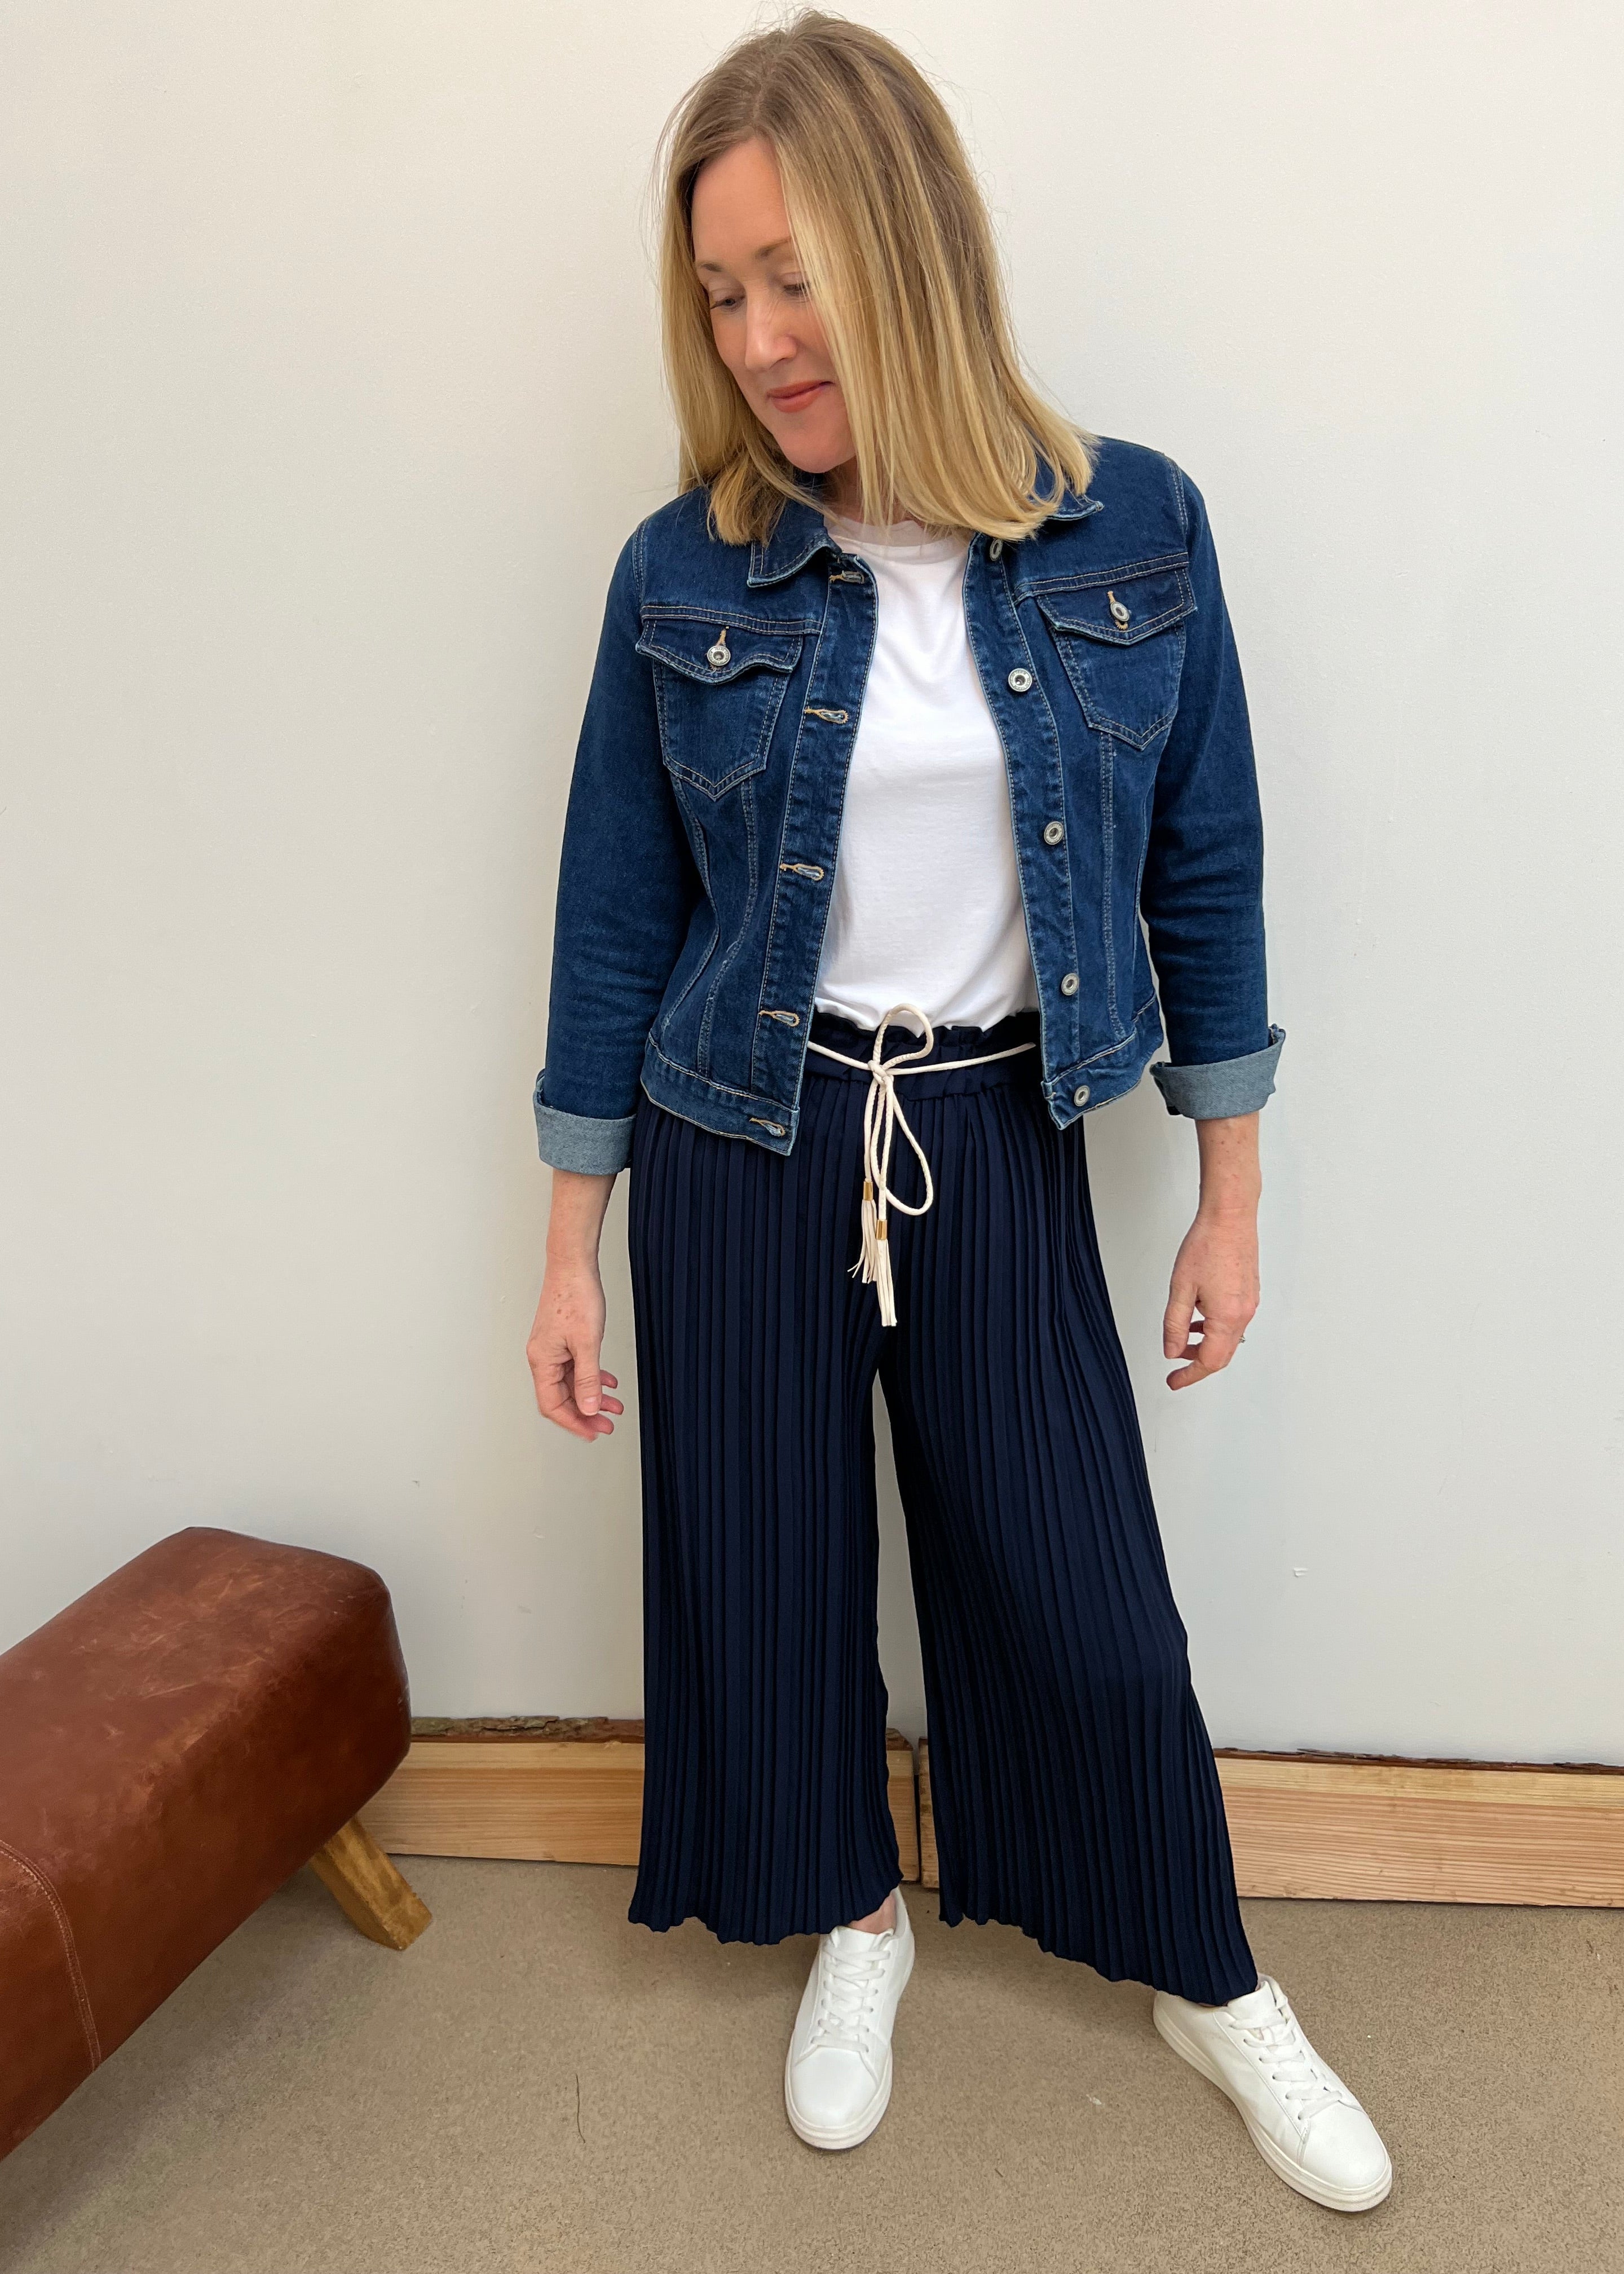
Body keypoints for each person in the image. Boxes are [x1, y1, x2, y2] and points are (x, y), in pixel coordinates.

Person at [526, 10, 1391, 2215]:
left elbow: (1209, 868)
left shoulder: (1134, 530)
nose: (757, 337)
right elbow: (617, 913)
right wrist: (567, 1244)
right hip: (741, 1131)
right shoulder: (684, 571)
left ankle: (1207, 1968)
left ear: (907, 244)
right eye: (721, 295)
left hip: (996, 1125)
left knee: (1080, 1584)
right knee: (769, 1572)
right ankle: (858, 1918)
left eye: (791, 273)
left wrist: (1231, 1193)